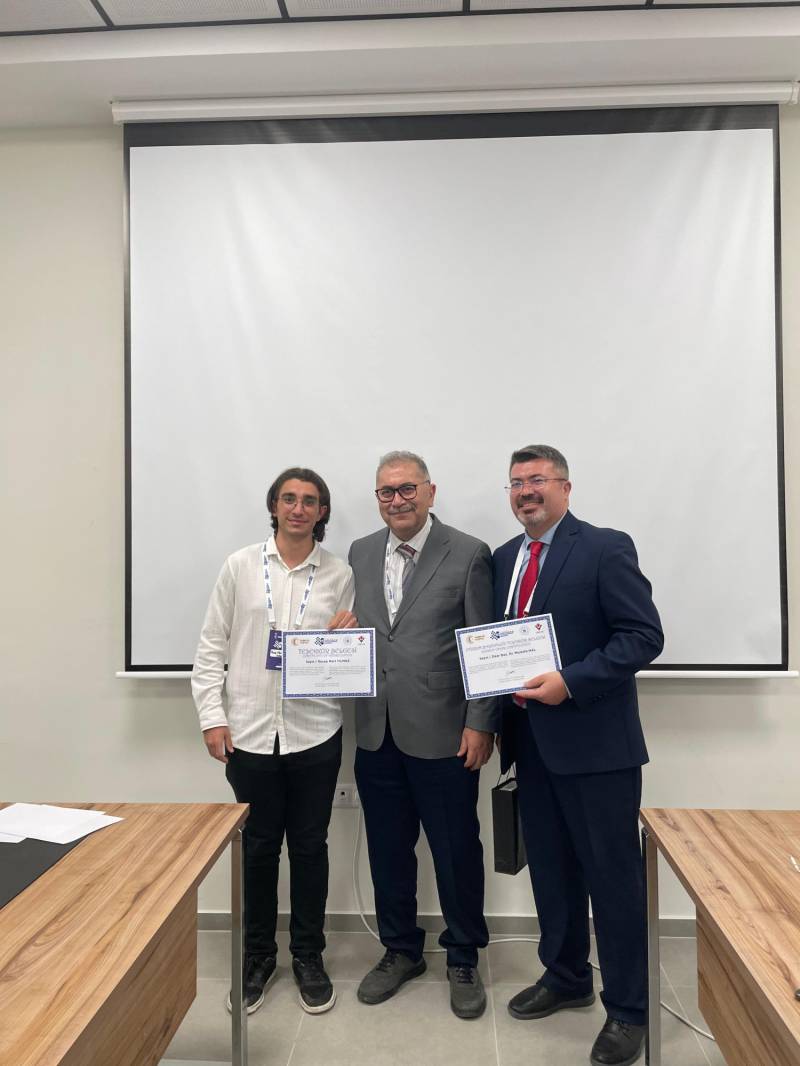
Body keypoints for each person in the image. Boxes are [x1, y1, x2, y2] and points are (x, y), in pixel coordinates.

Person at [493, 444, 663, 1066]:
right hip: (532, 747)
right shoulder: (505, 558)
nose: (525, 491)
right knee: (552, 872)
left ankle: (629, 1010)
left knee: (613, 880)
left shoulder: (604, 547)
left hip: (597, 749)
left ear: (565, 487)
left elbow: (643, 636)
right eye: (516, 483)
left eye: (537, 479)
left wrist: (571, 681)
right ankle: (566, 977)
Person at [192, 467, 356, 1017]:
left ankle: (308, 956)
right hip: (249, 733)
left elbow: (347, 656)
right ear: (274, 506)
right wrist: (212, 718)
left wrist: (343, 645)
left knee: (310, 847)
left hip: (315, 732)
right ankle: (258, 957)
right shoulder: (240, 566)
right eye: (289, 499)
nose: (298, 508)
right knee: (258, 849)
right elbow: (211, 647)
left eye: (309, 501)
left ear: (322, 512)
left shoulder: (339, 573)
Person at [348, 450, 498, 1020]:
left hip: (445, 732)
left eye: (407, 489)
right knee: (388, 849)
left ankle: (463, 956)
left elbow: (482, 644)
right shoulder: (360, 552)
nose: (397, 500)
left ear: (431, 492)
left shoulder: (468, 552)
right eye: (386, 492)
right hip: (375, 729)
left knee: (455, 849)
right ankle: (401, 950)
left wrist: (480, 722)